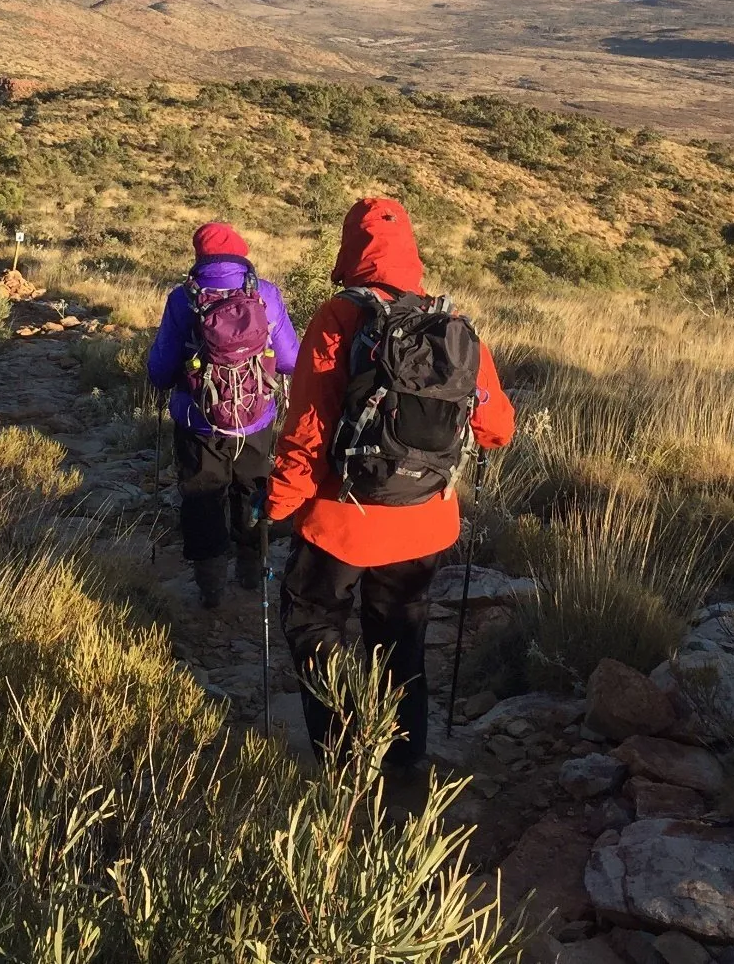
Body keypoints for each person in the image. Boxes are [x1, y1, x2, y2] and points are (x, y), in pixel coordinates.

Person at [267, 197, 515, 774]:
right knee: (401, 636)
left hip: (342, 519)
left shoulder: (340, 316)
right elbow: (498, 428)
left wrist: (279, 502)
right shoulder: (450, 326)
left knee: (314, 621)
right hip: (424, 517)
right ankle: (407, 767)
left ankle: (344, 758)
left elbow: (308, 426)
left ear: (350, 248)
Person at [147, 222, 300, 609]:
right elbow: (289, 360)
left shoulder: (183, 298)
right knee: (252, 488)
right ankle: (251, 569)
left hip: (198, 420)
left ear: (200, 256)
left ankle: (211, 588)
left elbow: (161, 372)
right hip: (256, 418)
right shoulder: (265, 294)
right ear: (241, 253)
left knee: (202, 494)